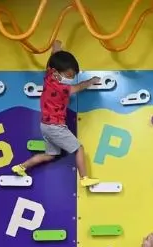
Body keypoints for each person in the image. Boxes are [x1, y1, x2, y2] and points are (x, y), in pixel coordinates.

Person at [11, 40, 101, 188]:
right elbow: (78, 87)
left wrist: (55, 49)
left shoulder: (49, 77)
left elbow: (51, 62)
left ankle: (21, 167)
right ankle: (84, 178)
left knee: (50, 155)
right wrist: (91, 81)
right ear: (56, 71)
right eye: (69, 75)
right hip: (55, 127)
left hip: (45, 125)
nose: (70, 79)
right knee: (79, 148)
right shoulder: (62, 88)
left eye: (72, 76)